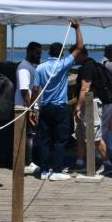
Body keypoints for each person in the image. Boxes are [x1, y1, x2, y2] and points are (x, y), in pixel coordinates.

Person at [32, 19, 84, 181]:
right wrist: (77, 28)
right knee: (60, 140)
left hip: (45, 107)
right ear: (61, 53)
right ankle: (56, 171)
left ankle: (44, 170)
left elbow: (35, 90)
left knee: (44, 140)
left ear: (49, 53)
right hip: (60, 107)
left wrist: (33, 108)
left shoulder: (39, 68)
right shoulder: (63, 64)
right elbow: (80, 47)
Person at [72, 45, 112, 173]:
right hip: (89, 102)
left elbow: (85, 88)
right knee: (80, 133)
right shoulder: (91, 65)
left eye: (74, 55)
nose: (72, 58)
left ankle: (108, 163)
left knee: (94, 136)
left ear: (81, 54)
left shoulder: (87, 68)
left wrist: (78, 107)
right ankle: (80, 162)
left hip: (91, 103)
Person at [15, 41, 42, 174]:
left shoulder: (32, 66)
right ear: (29, 51)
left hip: (31, 106)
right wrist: (30, 108)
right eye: (37, 53)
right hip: (24, 106)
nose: (39, 55)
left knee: (31, 134)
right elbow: (24, 90)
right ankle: (27, 162)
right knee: (28, 135)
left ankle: (30, 159)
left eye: (40, 53)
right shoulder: (24, 68)